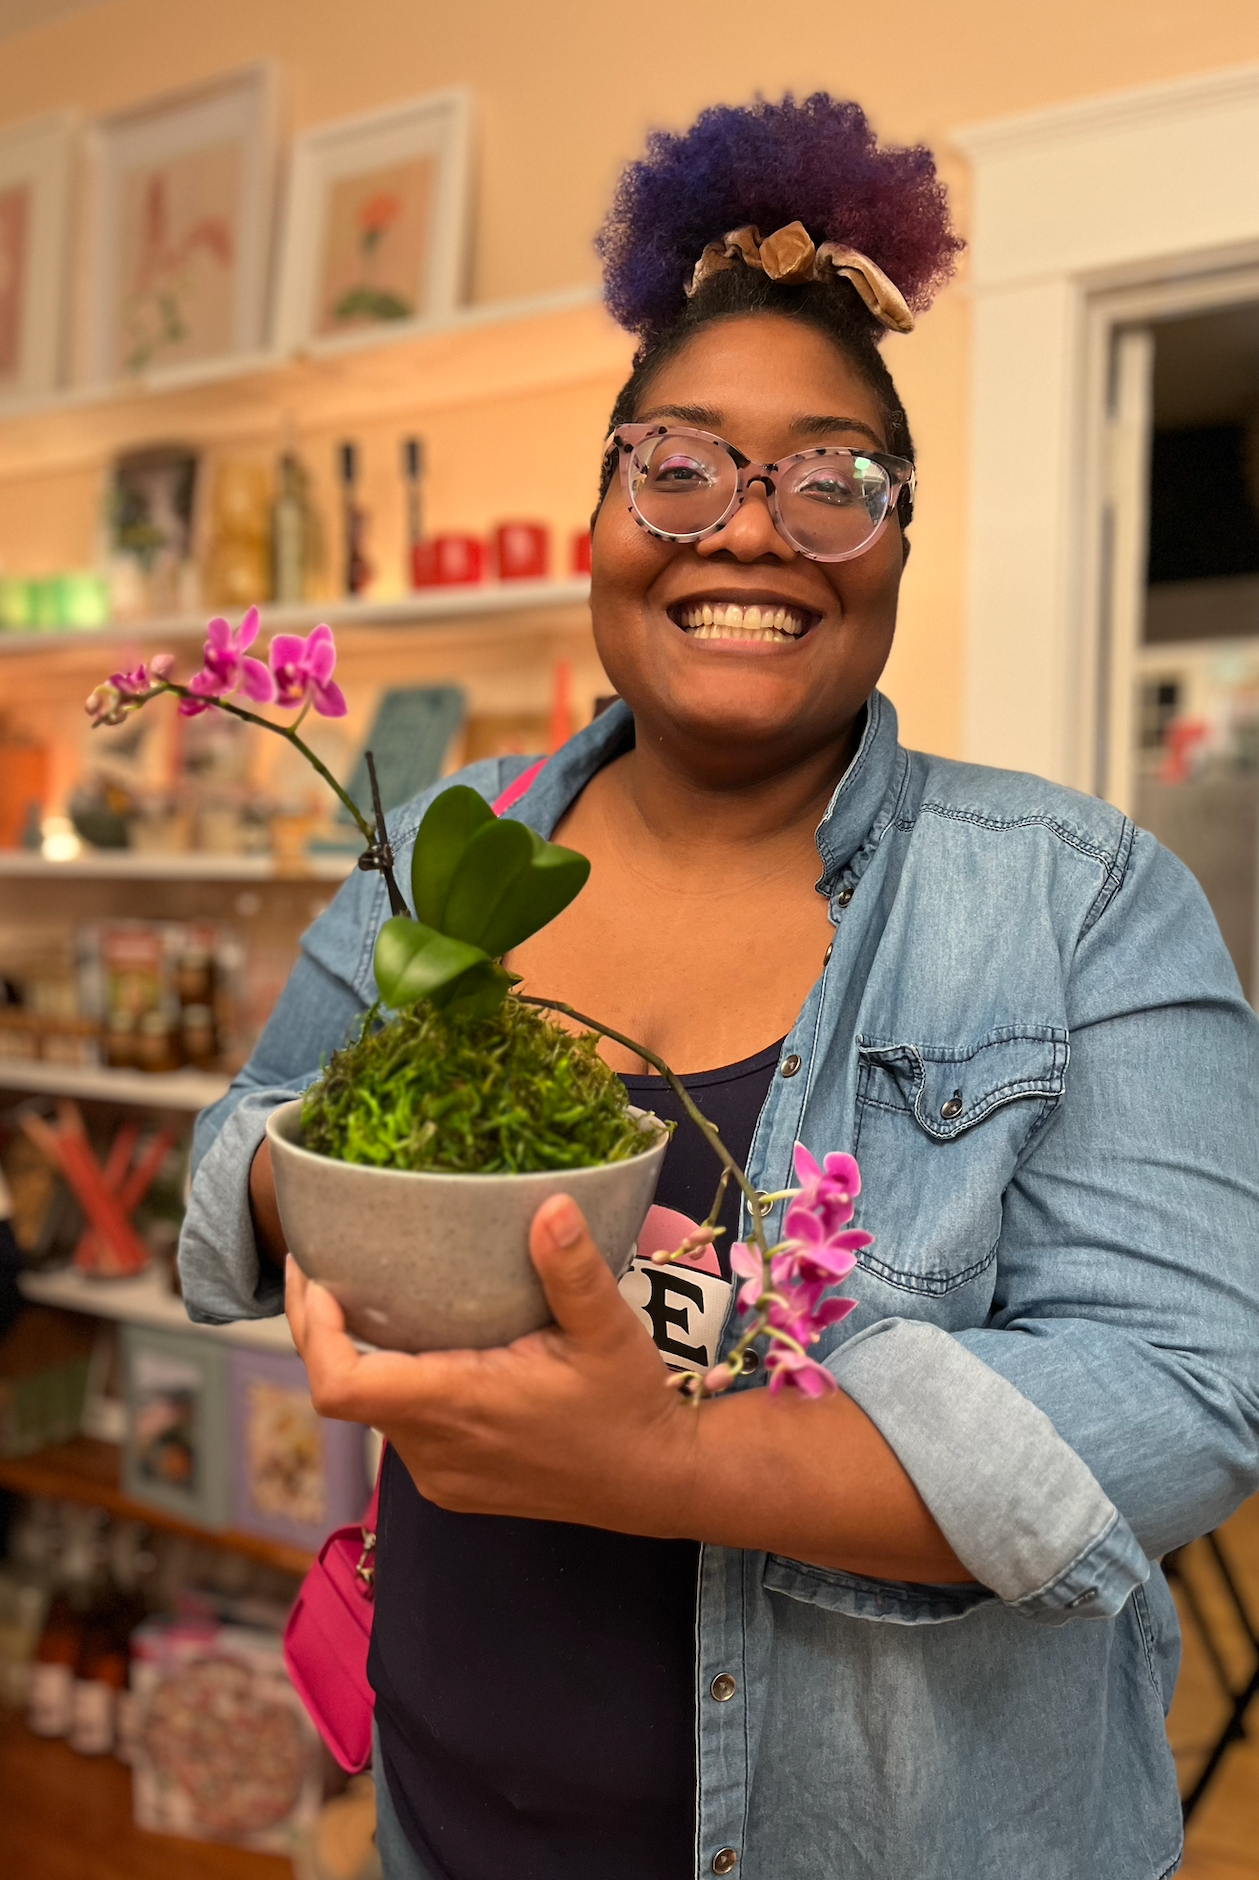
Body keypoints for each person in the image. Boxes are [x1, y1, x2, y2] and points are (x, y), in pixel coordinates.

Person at [180, 96, 1259, 1880]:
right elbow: (243, 1157)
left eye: (834, 480)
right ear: (602, 509)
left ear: (897, 546)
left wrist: (668, 1462)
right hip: (447, 1828)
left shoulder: (1079, 903)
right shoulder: (450, 849)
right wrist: (340, 1193)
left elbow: (1186, 1391)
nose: (750, 531)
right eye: (679, 465)